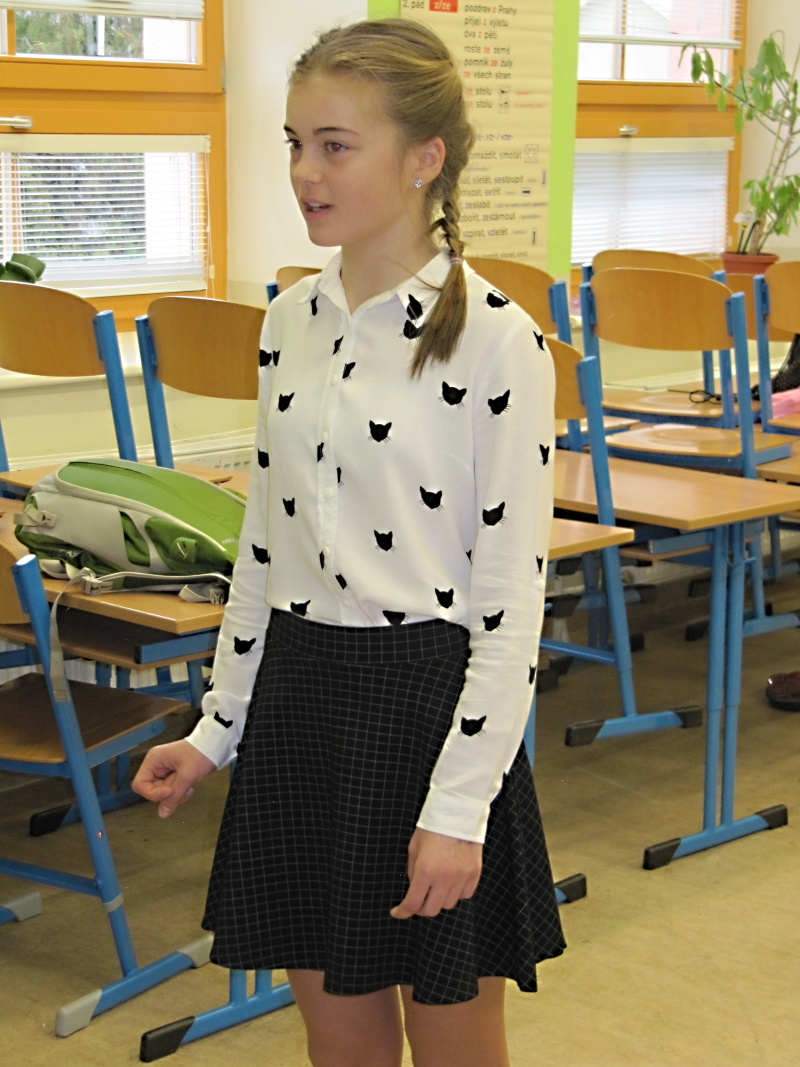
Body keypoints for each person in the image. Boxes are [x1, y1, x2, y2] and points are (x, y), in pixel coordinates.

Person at [133, 18, 565, 1067]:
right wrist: (216, 727)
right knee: (338, 1036)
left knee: (453, 1035)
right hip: (301, 699)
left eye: (334, 145)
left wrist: (459, 806)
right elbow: (265, 548)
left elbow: (510, 602)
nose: (303, 172)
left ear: (424, 159)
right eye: (294, 143)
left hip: (428, 708)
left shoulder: (498, 339)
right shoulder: (289, 320)